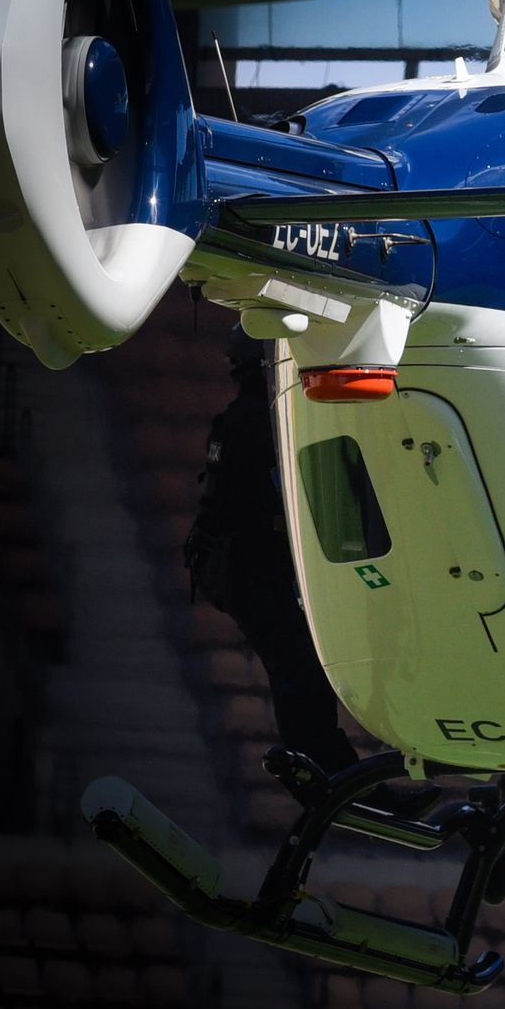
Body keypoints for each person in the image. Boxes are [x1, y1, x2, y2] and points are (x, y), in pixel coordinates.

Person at [186, 326, 435, 816]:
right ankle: (339, 784)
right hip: (252, 569)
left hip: (239, 569)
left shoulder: (239, 418)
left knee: (298, 670)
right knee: (303, 670)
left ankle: (329, 778)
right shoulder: (265, 422)